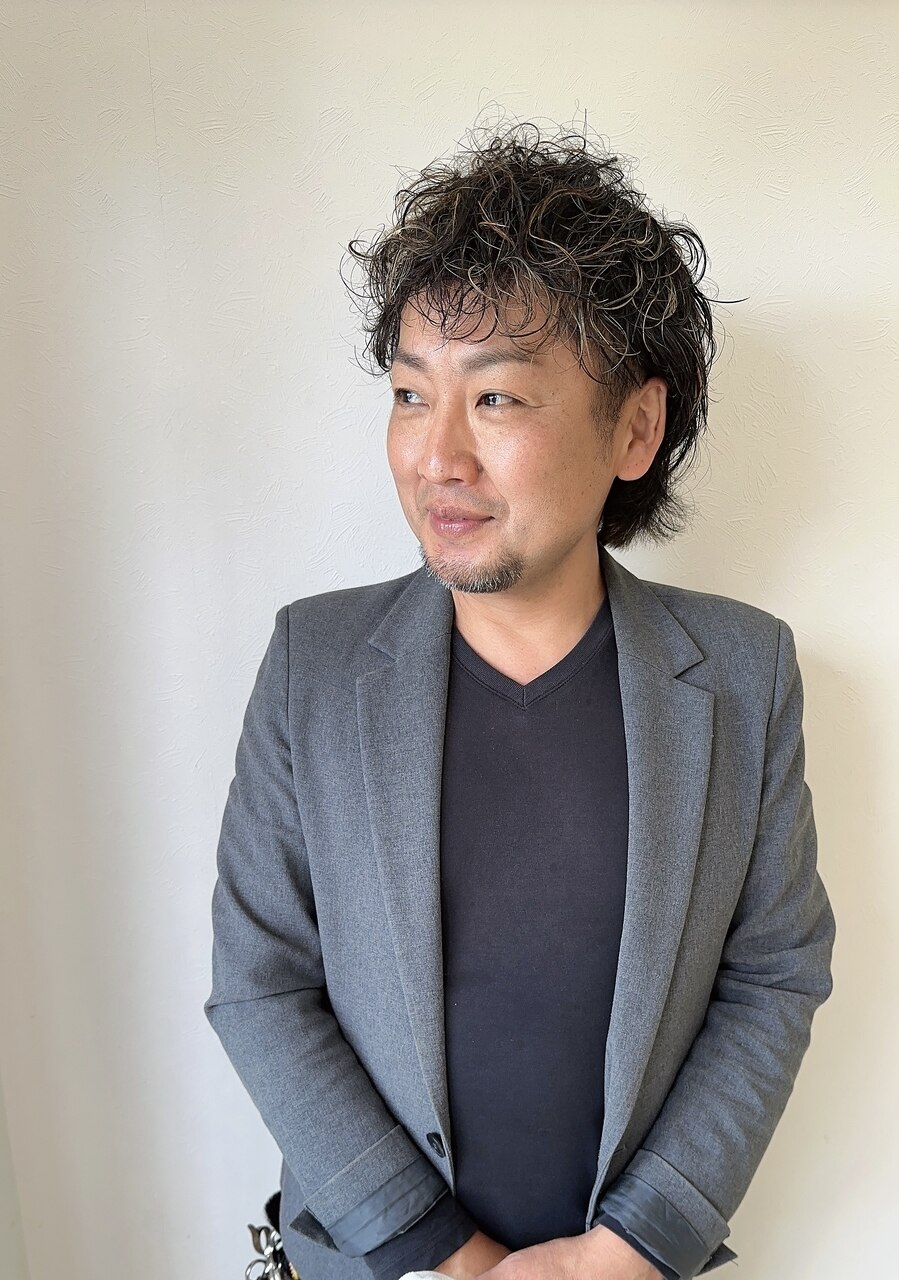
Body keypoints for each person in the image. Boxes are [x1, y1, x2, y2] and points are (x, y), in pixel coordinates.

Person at [204, 120, 836, 1280]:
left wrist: (628, 1246)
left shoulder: (740, 673)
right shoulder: (314, 664)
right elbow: (263, 981)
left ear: (634, 427)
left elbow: (773, 971)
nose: (435, 455)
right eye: (409, 393)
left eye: (493, 398)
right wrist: (443, 1253)